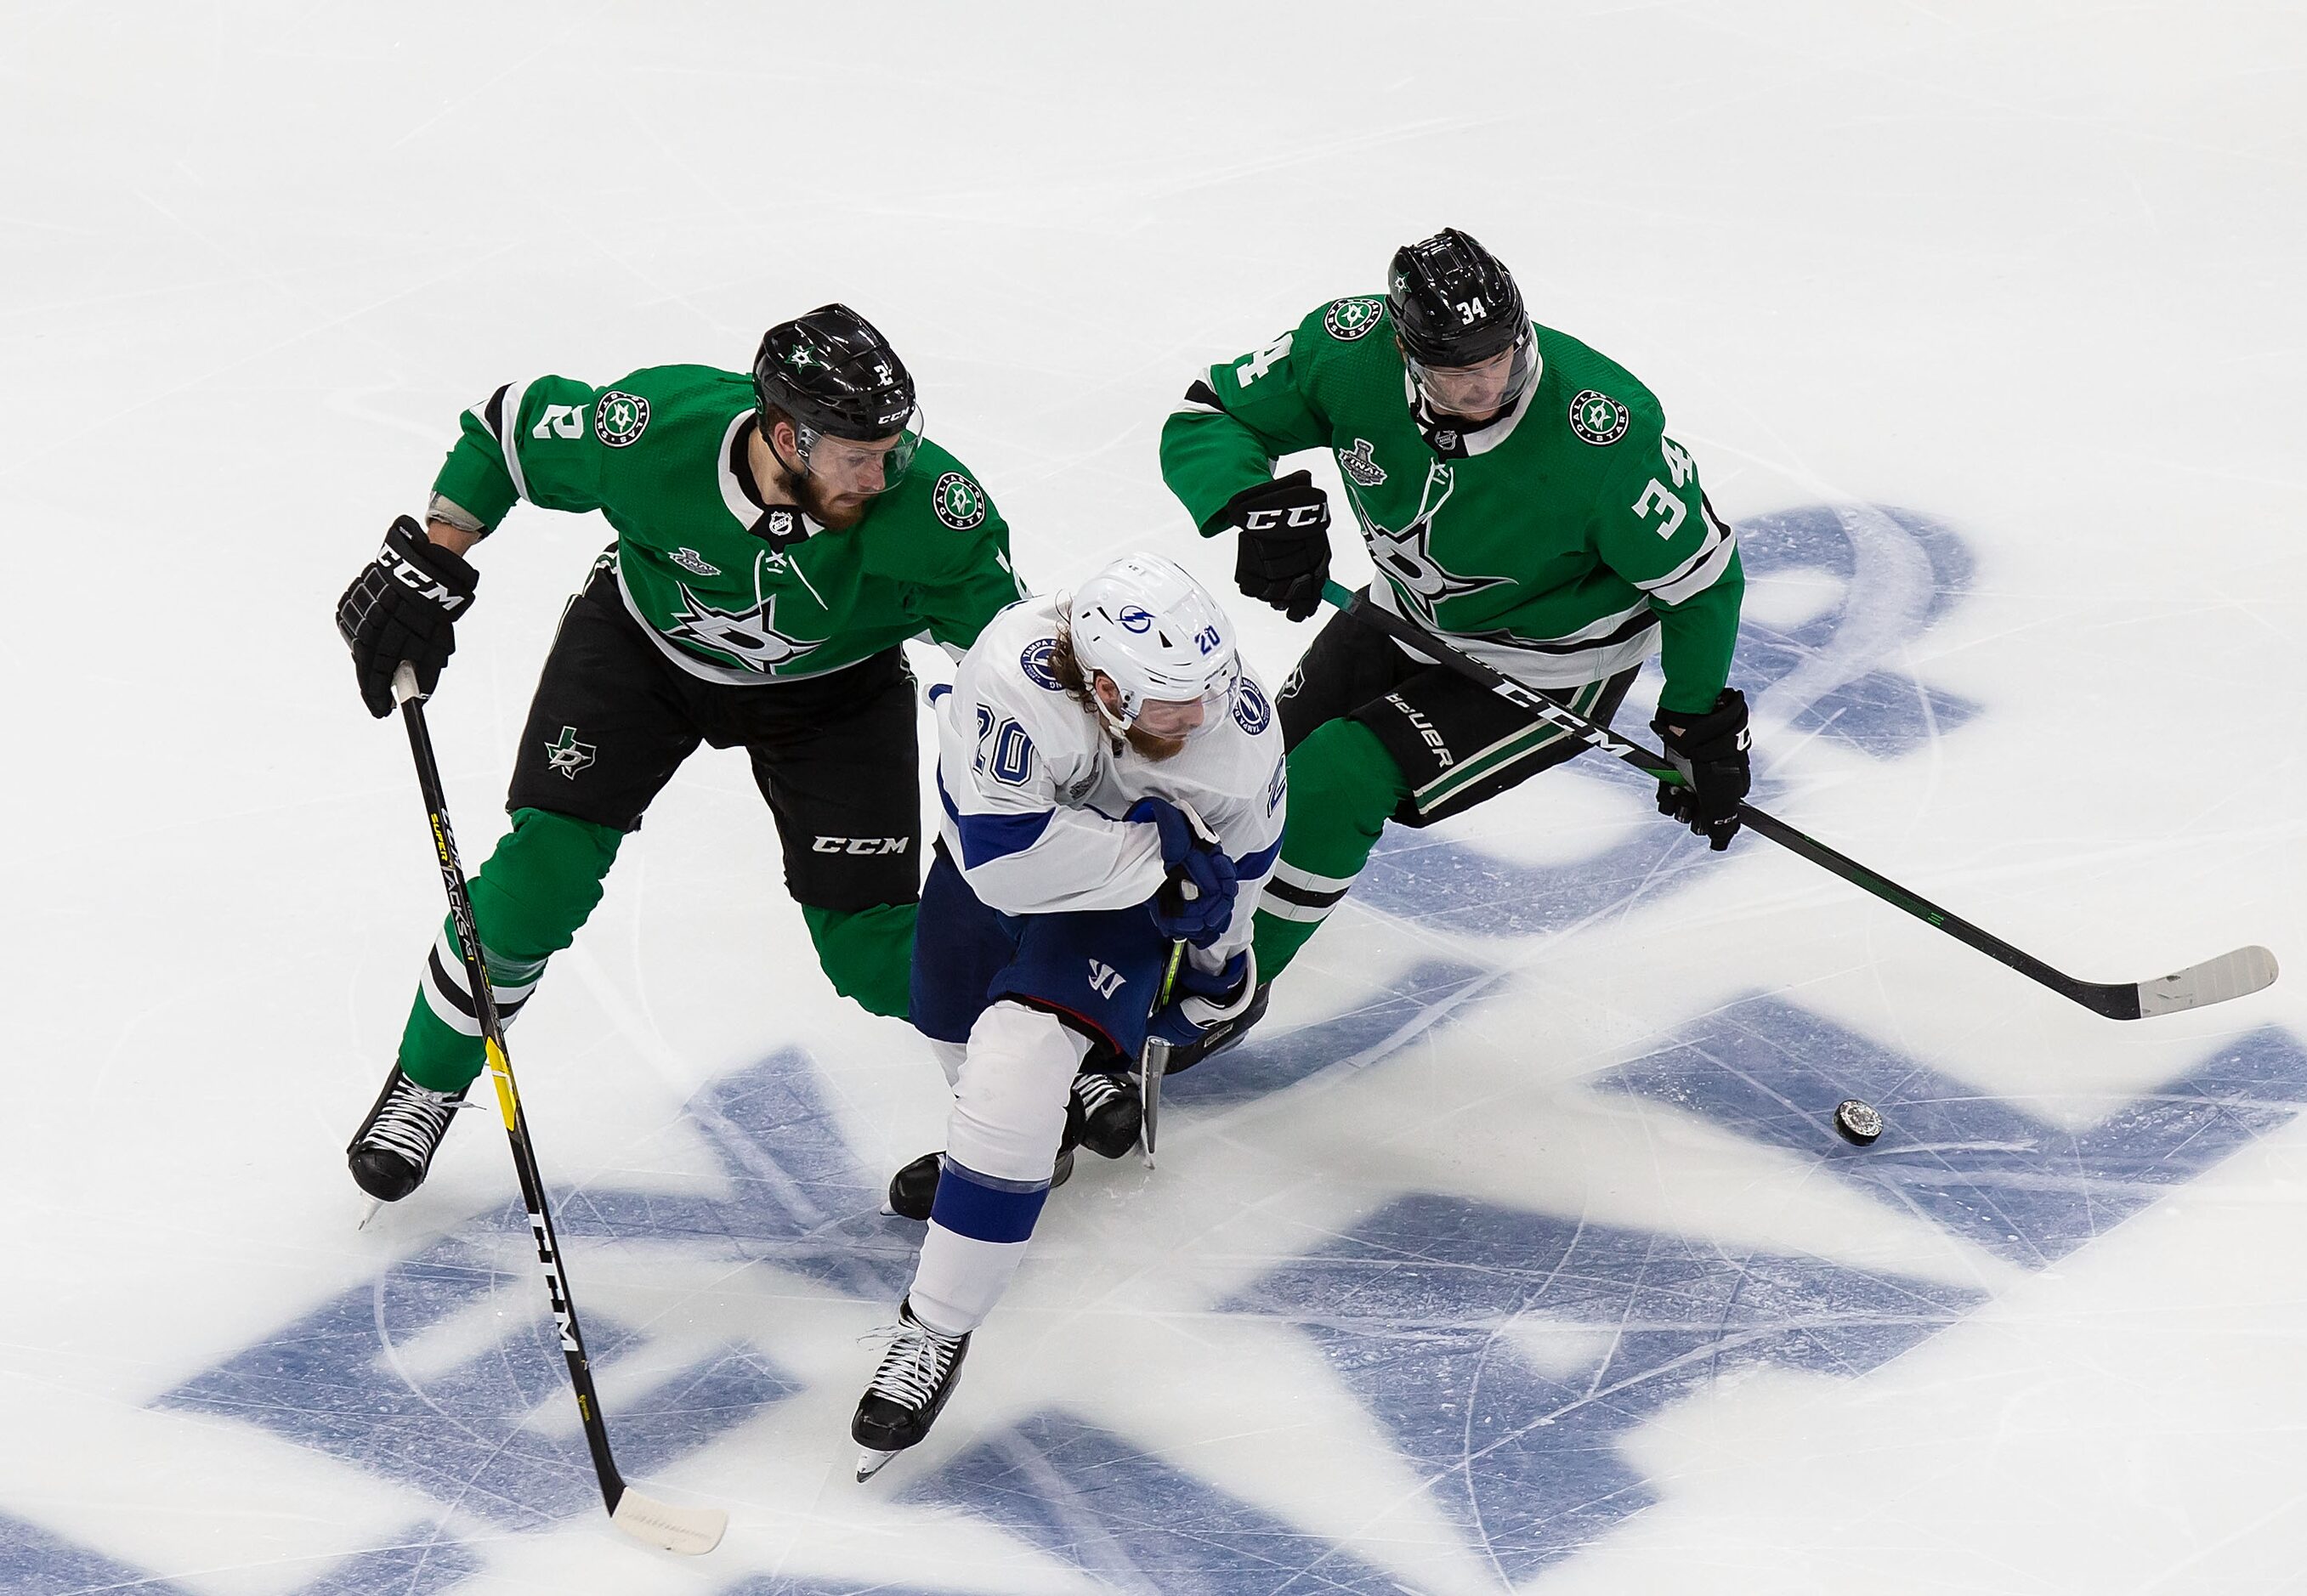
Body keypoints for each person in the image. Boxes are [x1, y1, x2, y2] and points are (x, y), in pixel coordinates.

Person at [333, 304, 1024, 1204]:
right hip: (643, 651)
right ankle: (426, 1081)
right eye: (858, 453)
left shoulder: (934, 509)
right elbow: (508, 433)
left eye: (894, 445)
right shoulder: (655, 430)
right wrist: (435, 559)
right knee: (537, 877)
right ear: (786, 435)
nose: (884, 469)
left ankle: (1032, 1091)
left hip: (836, 693)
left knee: (873, 947)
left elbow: (1013, 664)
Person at [1158, 228, 1750, 992]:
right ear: (1404, 352)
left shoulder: (1601, 435)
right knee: (1255, 770)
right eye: (1454, 370)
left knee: (1337, 778)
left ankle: (1220, 992)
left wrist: (1693, 720)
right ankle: (1149, 928)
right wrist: (1254, 506)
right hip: (1403, 613)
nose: (1484, 387)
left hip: (1552, 662)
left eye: (1498, 357)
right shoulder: (1345, 348)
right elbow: (1210, 412)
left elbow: (1703, 581)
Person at [851, 554, 1285, 1479]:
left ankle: (934, 1329)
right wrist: (1154, 850)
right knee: (951, 1030)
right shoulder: (1010, 672)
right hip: (986, 869)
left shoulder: (1237, 733)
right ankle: (1036, 1146)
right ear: (1100, 684)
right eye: (1168, 700)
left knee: (1013, 1070)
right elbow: (1001, 857)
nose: (1197, 718)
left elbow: (1239, 873)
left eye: (1208, 689)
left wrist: (1218, 960)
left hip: (1109, 907)